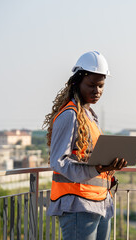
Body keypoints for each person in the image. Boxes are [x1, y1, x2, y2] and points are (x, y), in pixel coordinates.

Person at [43, 51, 127, 240]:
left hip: (100, 201)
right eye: (91, 85)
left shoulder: (90, 116)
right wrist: (96, 168)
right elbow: (59, 162)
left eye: (101, 86)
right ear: (77, 82)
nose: (96, 91)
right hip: (77, 204)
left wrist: (109, 166)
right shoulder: (69, 115)